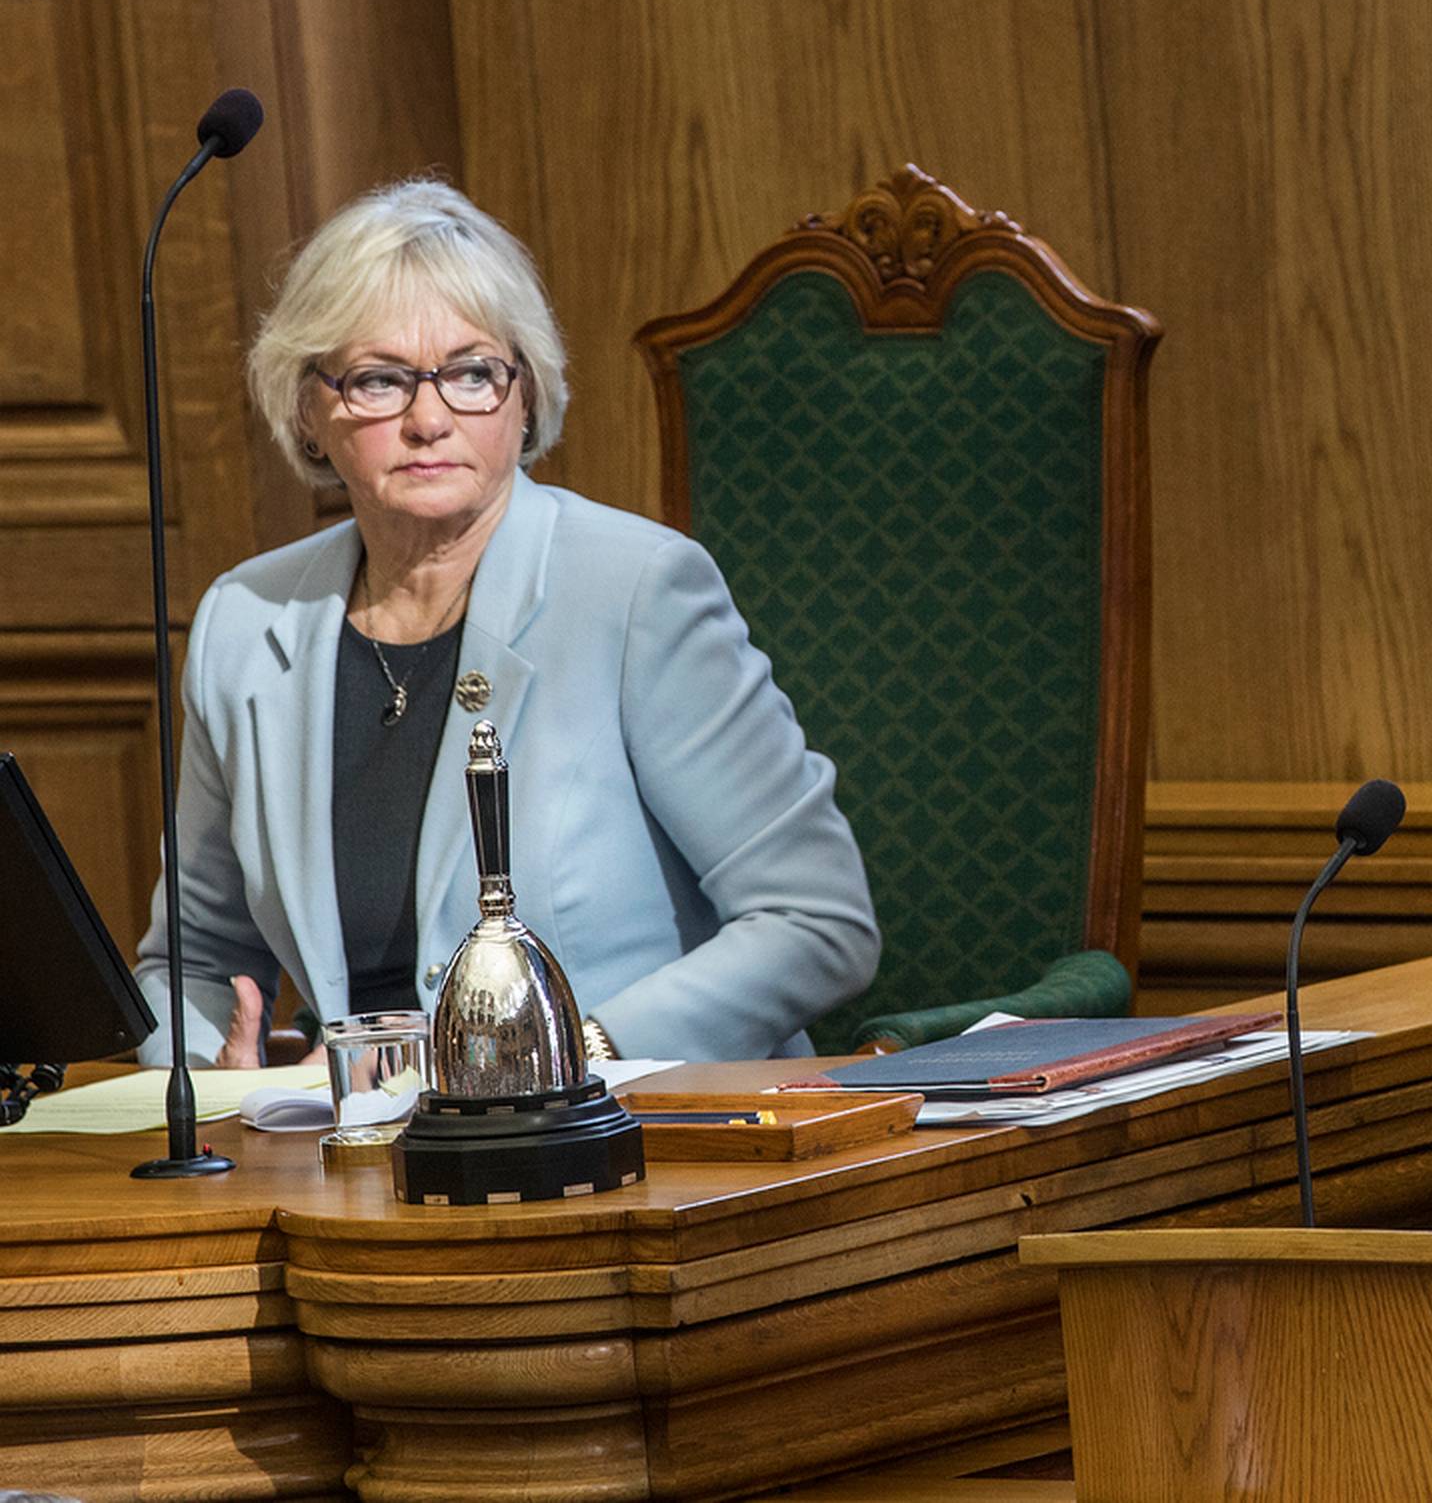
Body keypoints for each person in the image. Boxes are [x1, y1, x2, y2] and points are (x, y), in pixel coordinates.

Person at [134, 179, 878, 1066]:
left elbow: (817, 920)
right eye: (379, 380)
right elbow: (193, 961)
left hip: (635, 1136)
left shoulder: (636, 591)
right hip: (351, 1166)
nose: (428, 418)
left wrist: (575, 1052)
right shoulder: (245, 623)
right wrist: (220, 1083)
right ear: (310, 409)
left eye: (472, 372)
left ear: (525, 395)